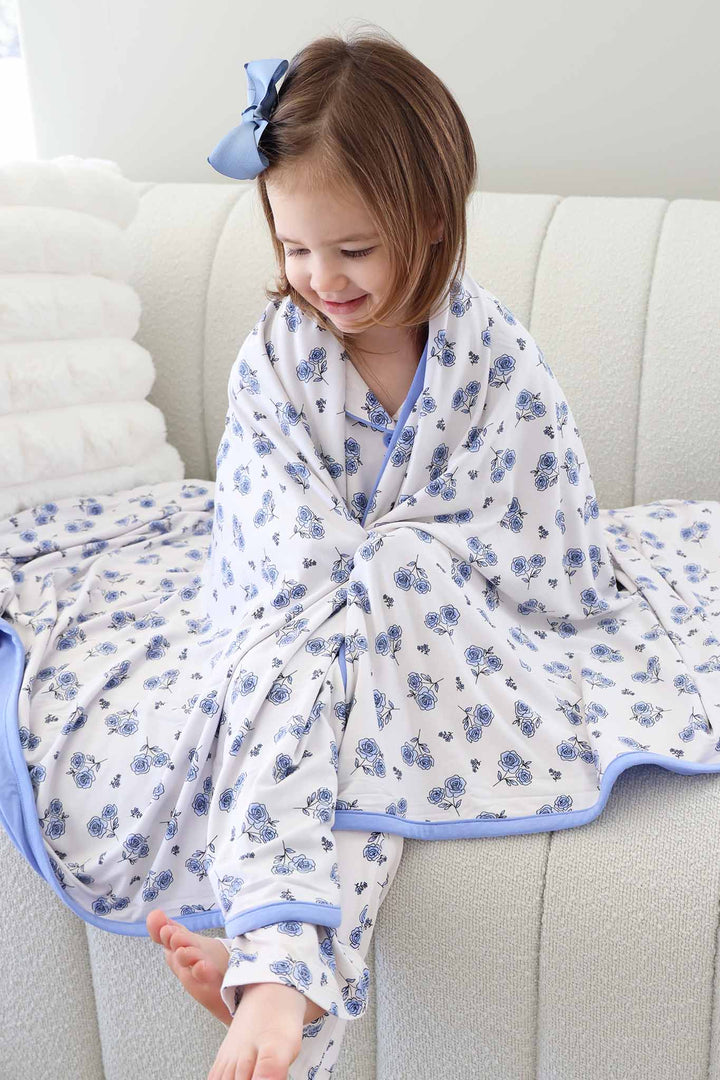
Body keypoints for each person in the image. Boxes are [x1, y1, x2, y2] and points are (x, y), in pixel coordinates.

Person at [2, 21, 719, 1080]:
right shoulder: (277, 358)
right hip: (306, 608)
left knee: (384, 641)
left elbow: (541, 525)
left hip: (455, 622)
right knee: (309, 689)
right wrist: (356, 594)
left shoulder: (494, 356)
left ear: (429, 223)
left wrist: (402, 572)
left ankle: (279, 974)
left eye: (353, 250)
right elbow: (274, 542)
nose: (321, 279)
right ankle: (282, 963)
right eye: (295, 250)